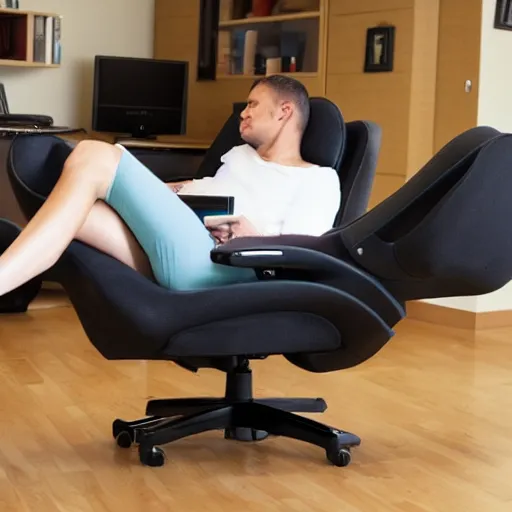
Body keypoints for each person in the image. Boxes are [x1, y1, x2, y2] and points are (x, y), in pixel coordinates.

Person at [0, 75, 341, 297]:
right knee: (79, 210)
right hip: (183, 240)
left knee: (93, 153)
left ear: (285, 111)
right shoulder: (238, 156)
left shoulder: (317, 178)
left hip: (226, 265)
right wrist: (153, 192)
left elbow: (307, 257)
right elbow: (191, 188)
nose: (243, 113)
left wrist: (253, 237)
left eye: (253, 104)